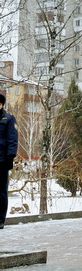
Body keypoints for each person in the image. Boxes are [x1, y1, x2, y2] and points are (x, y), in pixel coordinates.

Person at [0, 93, 18, 229]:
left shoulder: (8, 119)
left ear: (2, 105)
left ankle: (0, 219)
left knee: (1, 192)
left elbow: (12, 139)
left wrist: (10, 158)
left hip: (2, 161)